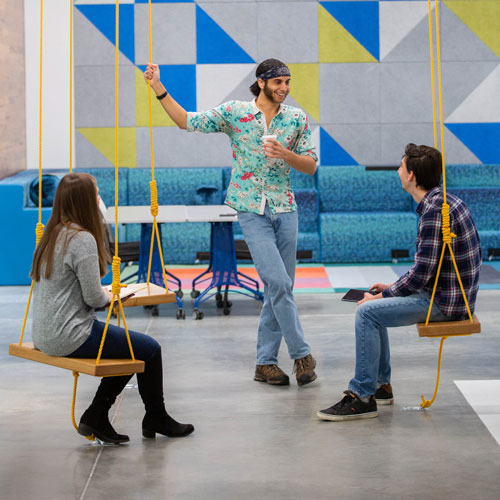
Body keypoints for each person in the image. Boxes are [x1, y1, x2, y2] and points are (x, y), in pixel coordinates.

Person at [144, 58, 318, 387]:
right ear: (262, 82)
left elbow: (309, 165)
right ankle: (301, 355)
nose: (284, 88)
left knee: (279, 288)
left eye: (288, 82)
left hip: (286, 208)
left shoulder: (296, 118)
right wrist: (158, 88)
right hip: (250, 209)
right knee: (278, 284)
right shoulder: (235, 113)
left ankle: (265, 363)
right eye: (278, 82)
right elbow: (186, 121)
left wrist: (287, 155)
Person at [317, 144, 482, 421]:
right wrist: (389, 290)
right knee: (375, 311)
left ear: (411, 176)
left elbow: (422, 274)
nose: (397, 170)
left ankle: (362, 395)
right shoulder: (445, 201)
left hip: (444, 303)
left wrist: (383, 297)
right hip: (448, 295)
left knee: (367, 313)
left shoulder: (433, 212)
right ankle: (381, 387)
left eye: (401, 166)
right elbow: (425, 268)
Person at [31, 172, 194, 443]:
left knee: (129, 348)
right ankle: (155, 416)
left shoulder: (53, 233)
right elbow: (95, 299)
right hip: (69, 334)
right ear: (85, 201)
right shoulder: (81, 238)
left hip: (45, 332)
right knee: (149, 349)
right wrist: (114, 296)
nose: (99, 199)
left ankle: (97, 415)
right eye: (95, 194)